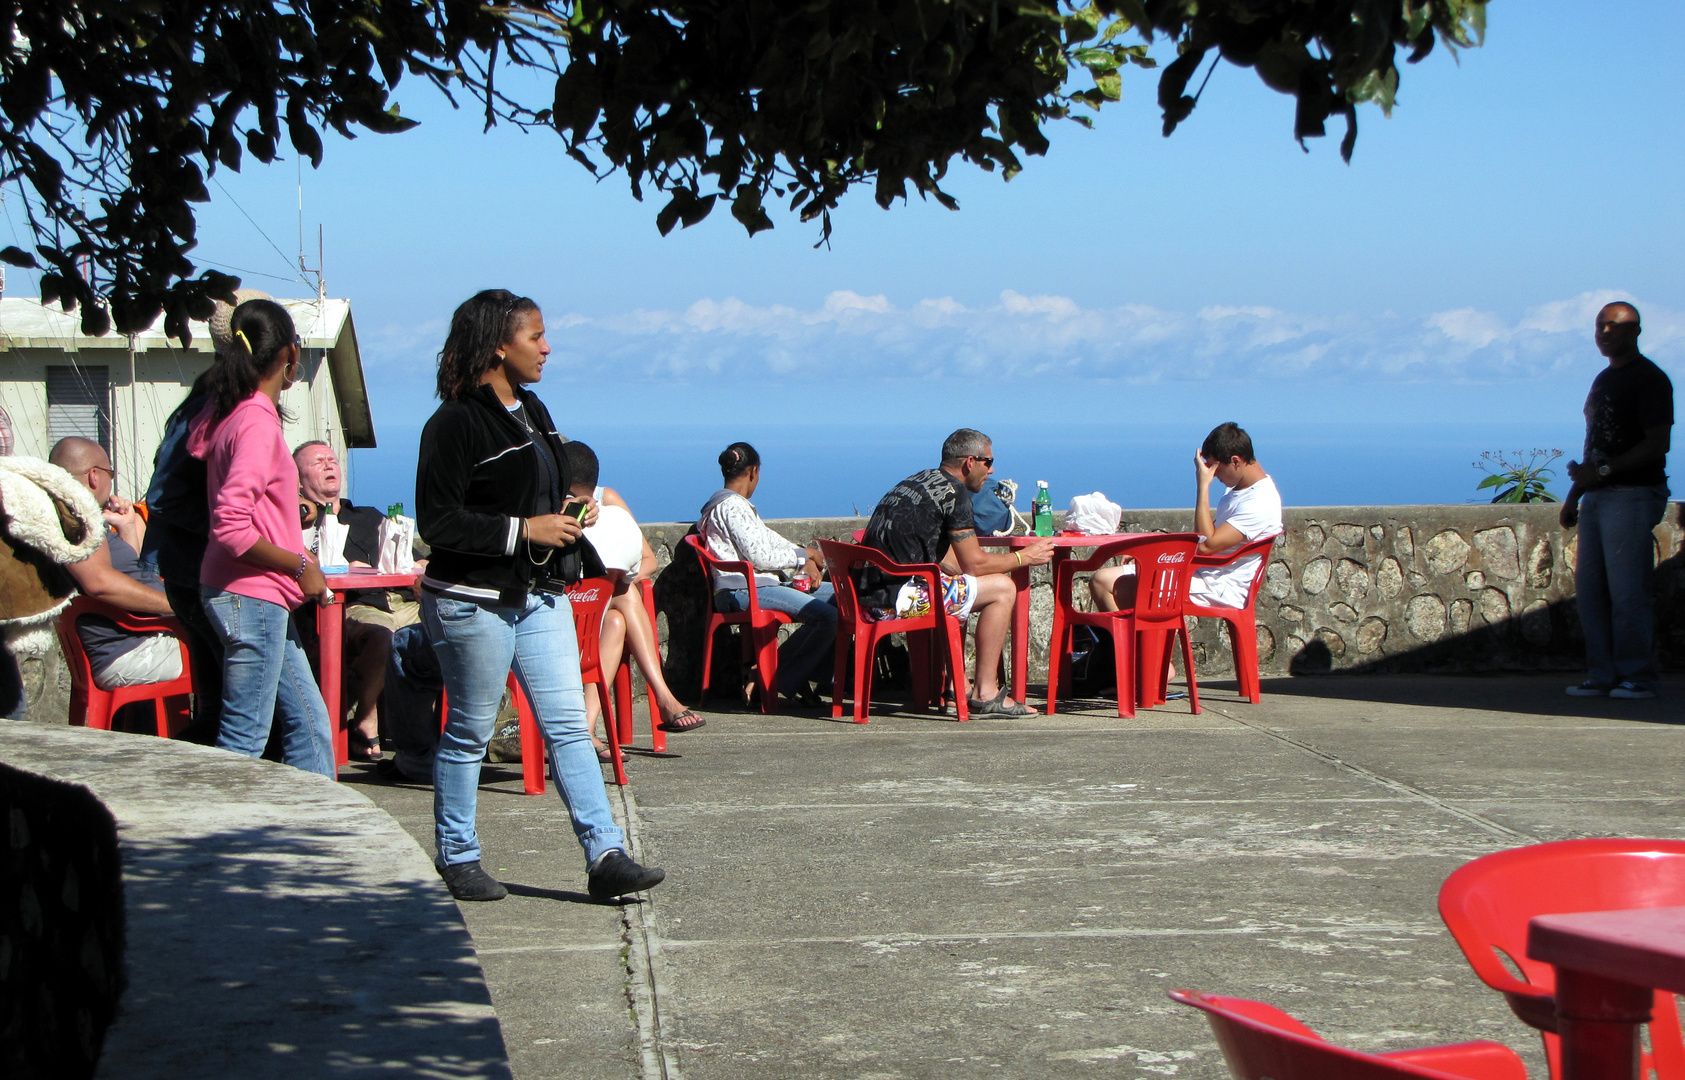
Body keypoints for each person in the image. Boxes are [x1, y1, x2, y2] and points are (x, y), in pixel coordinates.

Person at [416, 288, 664, 904]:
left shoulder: (532, 409)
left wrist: (565, 518)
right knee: (470, 731)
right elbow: (437, 523)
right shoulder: (453, 423)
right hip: (471, 599)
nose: (547, 348)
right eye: (536, 336)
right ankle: (458, 854)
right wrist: (523, 530)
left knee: (569, 730)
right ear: (499, 345)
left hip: (538, 594)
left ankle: (605, 853)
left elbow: (539, 490)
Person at [187, 298, 336, 777]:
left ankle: (316, 832)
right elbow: (231, 525)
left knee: (310, 722)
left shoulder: (232, 412)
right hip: (251, 593)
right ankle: (220, 844)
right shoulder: (254, 421)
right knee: (244, 734)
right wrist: (299, 565)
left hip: (249, 593)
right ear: (290, 355)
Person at [138, 288, 272, 745]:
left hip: (197, 568)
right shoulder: (216, 404)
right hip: (198, 568)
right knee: (240, 712)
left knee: (226, 705)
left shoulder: (222, 398)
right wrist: (238, 530)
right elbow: (164, 493)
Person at [859, 429, 1055, 716]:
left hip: (866, 596)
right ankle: (986, 693)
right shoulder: (955, 493)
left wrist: (973, 570)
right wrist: (1023, 557)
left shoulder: (917, 482)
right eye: (988, 462)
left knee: (957, 584)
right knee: (1003, 588)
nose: (992, 470)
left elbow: (951, 560)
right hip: (895, 602)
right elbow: (974, 564)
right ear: (970, 462)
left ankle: (956, 687)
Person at [1560, 301, 1673, 700]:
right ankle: (1602, 674)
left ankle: (1638, 676)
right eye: (1600, 326)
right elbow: (1595, 446)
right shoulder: (1603, 380)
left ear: (1635, 332)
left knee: (1628, 592)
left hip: (1633, 494)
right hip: (1598, 498)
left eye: (1614, 326)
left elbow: (1657, 444)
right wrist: (1576, 493)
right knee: (1590, 591)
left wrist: (1603, 474)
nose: (1604, 333)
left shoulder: (1650, 380)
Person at [561, 441, 704, 751]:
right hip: (564, 610)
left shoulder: (609, 505)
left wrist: (609, 581)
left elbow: (647, 559)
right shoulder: (552, 509)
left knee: (619, 608)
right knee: (622, 602)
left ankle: (586, 728)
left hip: (596, 605)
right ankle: (663, 696)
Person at [295, 439, 419, 761]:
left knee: (446, 631)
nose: (328, 465)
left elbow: (414, 558)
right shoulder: (301, 525)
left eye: (332, 459)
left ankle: (426, 733)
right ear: (297, 479)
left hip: (403, 601)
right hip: (352, 605)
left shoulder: (368, 516)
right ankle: (365, 719)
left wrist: (422, 567)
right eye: (316, 462)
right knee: (382, 637)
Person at [697, 441, 839, 705]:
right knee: (828, 617)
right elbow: (760, 555)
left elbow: (769, 540)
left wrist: (803, 554)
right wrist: (803, 556)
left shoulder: (732, 506)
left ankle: (802, 676)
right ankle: (770, 675)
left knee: (844, 600)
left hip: (759, 586)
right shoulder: (733, 507)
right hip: (743, 590)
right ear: (753, 472)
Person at [1089, 422, 1283, 613]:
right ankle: (1130, 644)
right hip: (1204, 574)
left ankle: (1123, 645)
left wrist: (1203, 486)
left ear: (1235, 461)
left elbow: (1207, 545)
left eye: (1216, 469)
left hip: (1221, 586)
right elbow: (1202, 540)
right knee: (1105, 580)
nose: (1214, 476)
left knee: (1104, 582)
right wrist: (1150, 553)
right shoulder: (1240, 493)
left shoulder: (1260, 501)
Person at [48, 437, 182, 691]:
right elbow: (100, 582)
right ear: (94, 477)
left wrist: (127, 527)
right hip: (134, 649)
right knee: (242, 654)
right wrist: (176, 606)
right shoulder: (76, 518)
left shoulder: (78, 517)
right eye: (110, 473)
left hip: (136, 641)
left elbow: (123, 571)